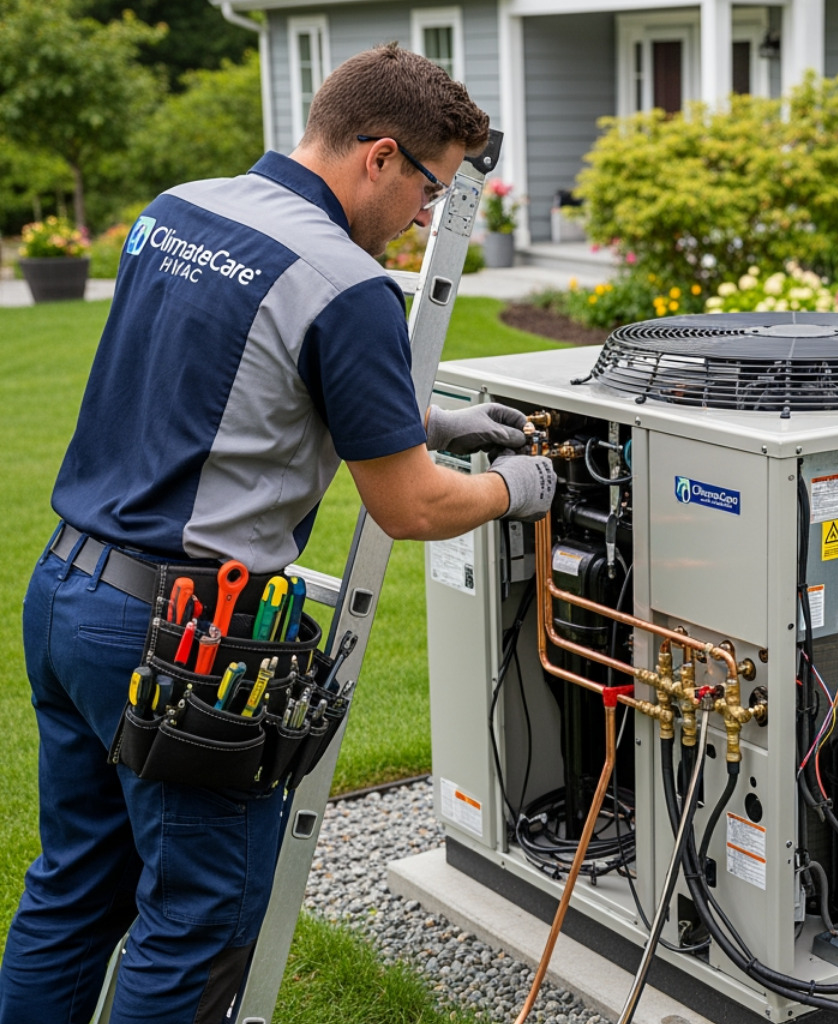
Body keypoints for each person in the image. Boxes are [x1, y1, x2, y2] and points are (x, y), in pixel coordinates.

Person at [0, 43, 552, 1024]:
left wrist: (427, 418)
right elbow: (411, 508)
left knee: (75, 888)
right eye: (429, 189)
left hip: (68, 593)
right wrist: (517, 486)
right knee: (197, 922)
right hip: (182, 635)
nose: (426, 216)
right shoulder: (346, 283)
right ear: (379, 155)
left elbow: (234, 375)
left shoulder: (181, 210)